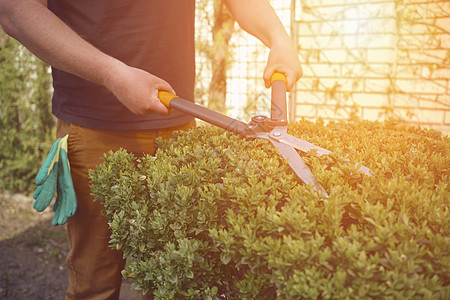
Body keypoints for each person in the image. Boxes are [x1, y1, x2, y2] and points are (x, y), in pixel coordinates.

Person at [0, 0, 302, 298]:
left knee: (175, 284)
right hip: (94, 127)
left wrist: (278, 38)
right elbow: (15, 9)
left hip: (179, 130)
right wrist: (111, 73)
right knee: (93, 288)